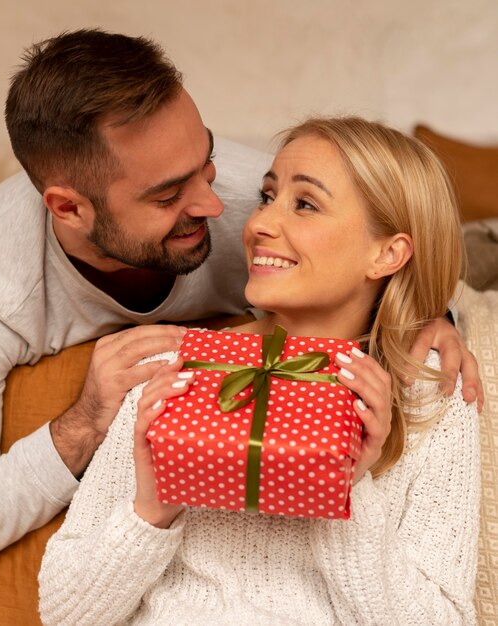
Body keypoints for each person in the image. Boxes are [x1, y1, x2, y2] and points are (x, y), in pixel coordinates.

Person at [0, 30, 479, 585]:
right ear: (69, 209)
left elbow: (395, 236)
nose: (226, 210)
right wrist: (83, 423)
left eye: (208, 161)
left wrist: (431, 318)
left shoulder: (250, 201)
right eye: (169, 195)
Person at [38, 117, 480, 625]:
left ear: (388, 253)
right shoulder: (177, 370)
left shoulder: (429, 392)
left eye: (306, 204)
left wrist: (347, 487)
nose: (259, 224)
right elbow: (64, 615)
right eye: (267, 196)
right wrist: (153, 508)